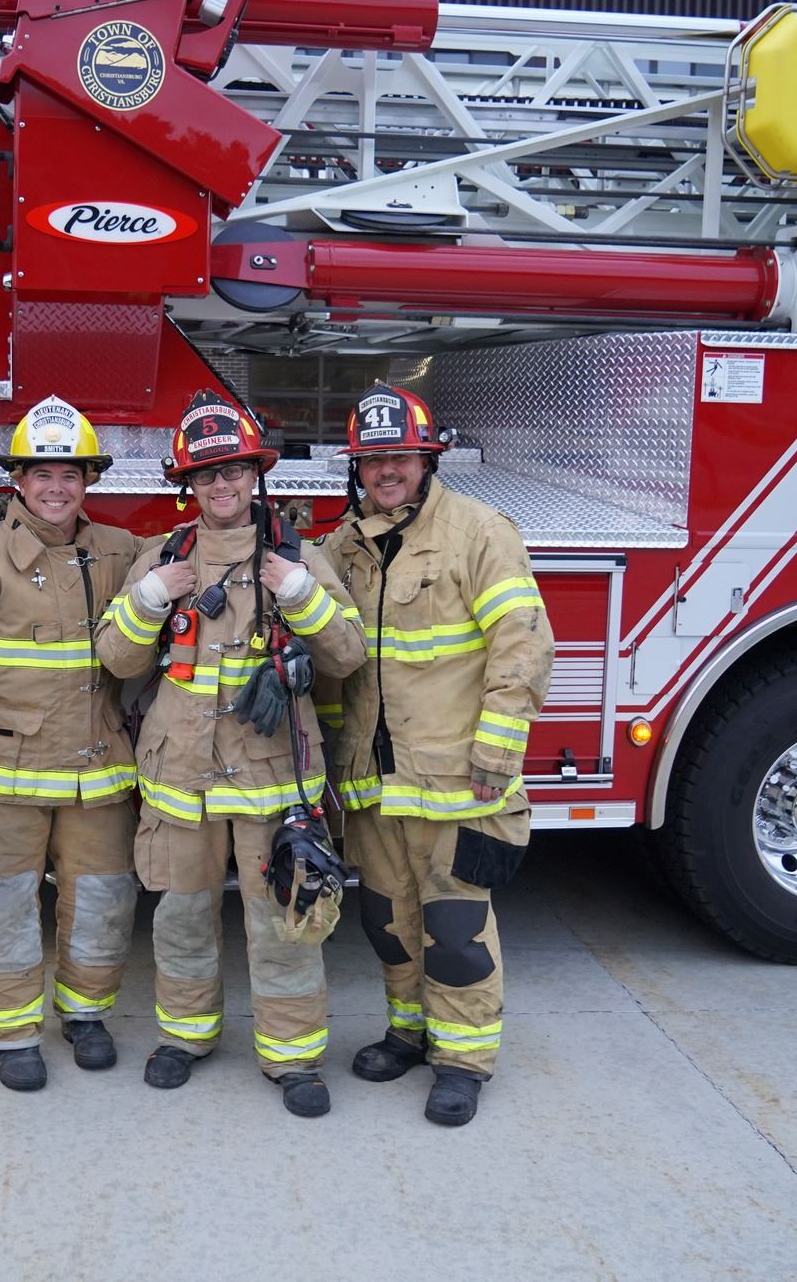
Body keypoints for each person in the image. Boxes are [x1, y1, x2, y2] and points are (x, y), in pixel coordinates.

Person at [95, 388, 366, 1118]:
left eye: (235, 470)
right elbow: (116, 659)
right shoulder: (163, 558)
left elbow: (347, 655)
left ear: (255, 475)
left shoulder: (295, 557)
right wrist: (149, 599)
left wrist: (301, 595)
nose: (222, 484)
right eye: (207, 473)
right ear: (188, 482)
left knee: (284, 923)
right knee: (181, 918)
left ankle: (293, 1057)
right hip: (180, 781)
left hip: (272, 784)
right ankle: (185, 1038)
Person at [316, 382, 554, 1127]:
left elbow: (523, 642)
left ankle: (462, 1061)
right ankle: (410, 1033)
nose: (387, 470)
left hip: (457, 780)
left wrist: (498, 749)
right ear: (358, 468)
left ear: (427, 460)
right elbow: (337, 669)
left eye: (401, 456)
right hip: (374, 782)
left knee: (454, 928)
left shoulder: (479, 532)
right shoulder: (344, 547)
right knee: (388, 921)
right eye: (373, 459)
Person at [0, 396, 146, 1092]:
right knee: (2, 909)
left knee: (104, 901)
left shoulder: (120, 551)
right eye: (42, 473)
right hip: (3, 779)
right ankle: (13, 1034)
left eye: (70, 474)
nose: (56, 488)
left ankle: (86, 1015)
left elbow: (186, 560)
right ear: (17, 479)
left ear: (89, 481)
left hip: (97, 774)